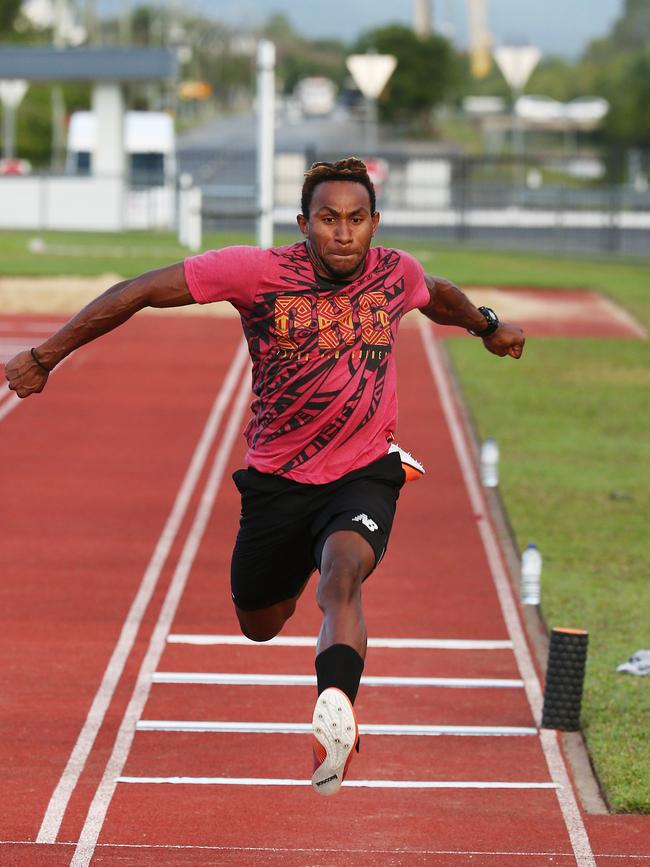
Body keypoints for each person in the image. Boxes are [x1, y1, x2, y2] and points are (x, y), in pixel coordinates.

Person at [5, 157, 525, 796]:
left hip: (365, 470)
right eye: (329, 219)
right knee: (260, 622)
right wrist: (44, 355)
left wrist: (488, 327)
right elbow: (140, 290)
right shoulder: (255, 273)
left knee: (342, 574)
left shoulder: (397, 273)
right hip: (277, 481)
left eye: (357, 220)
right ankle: (310, 559)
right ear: (303, 223)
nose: (343, 233)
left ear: (375, 224)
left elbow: (438, 294)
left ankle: (336, 707)